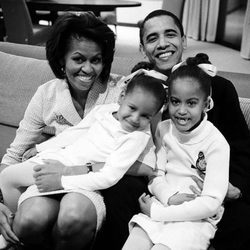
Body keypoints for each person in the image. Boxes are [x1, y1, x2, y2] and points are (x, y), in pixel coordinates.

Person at [0, 11, 124, 249]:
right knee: (29, 220)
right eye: (78, 59)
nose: (88, 69)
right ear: (61, 60)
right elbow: (13, 155)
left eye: (96, 60)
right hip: (45, 179)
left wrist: (71, 171)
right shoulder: (46, 94)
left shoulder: (119, 92)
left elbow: (126, 154)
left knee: (72, 217)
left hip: (91, 182)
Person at [0, 73, 166, 249]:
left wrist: (62, 181)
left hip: (80, 176)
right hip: (61, 158)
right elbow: (75, 132)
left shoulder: (136, 137)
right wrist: (41, 148)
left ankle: (10, 234)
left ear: (153, 116)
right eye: (132, 108)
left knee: (11, 178)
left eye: (146, 116)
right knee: (8, 176)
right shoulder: (105, 110)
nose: (135, 118)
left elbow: (109, 176)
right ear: (122, 96)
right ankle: (10, 225)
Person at [122, 55, 230, 250]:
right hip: (162, 204)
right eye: (175, 101)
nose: (181, 110)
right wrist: (169, 197)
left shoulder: (217, 143)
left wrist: (159, 213)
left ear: (206, 104)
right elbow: (156, 174)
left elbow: (211, 203)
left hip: (195, 219)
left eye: (191, 103)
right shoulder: (163, 129)